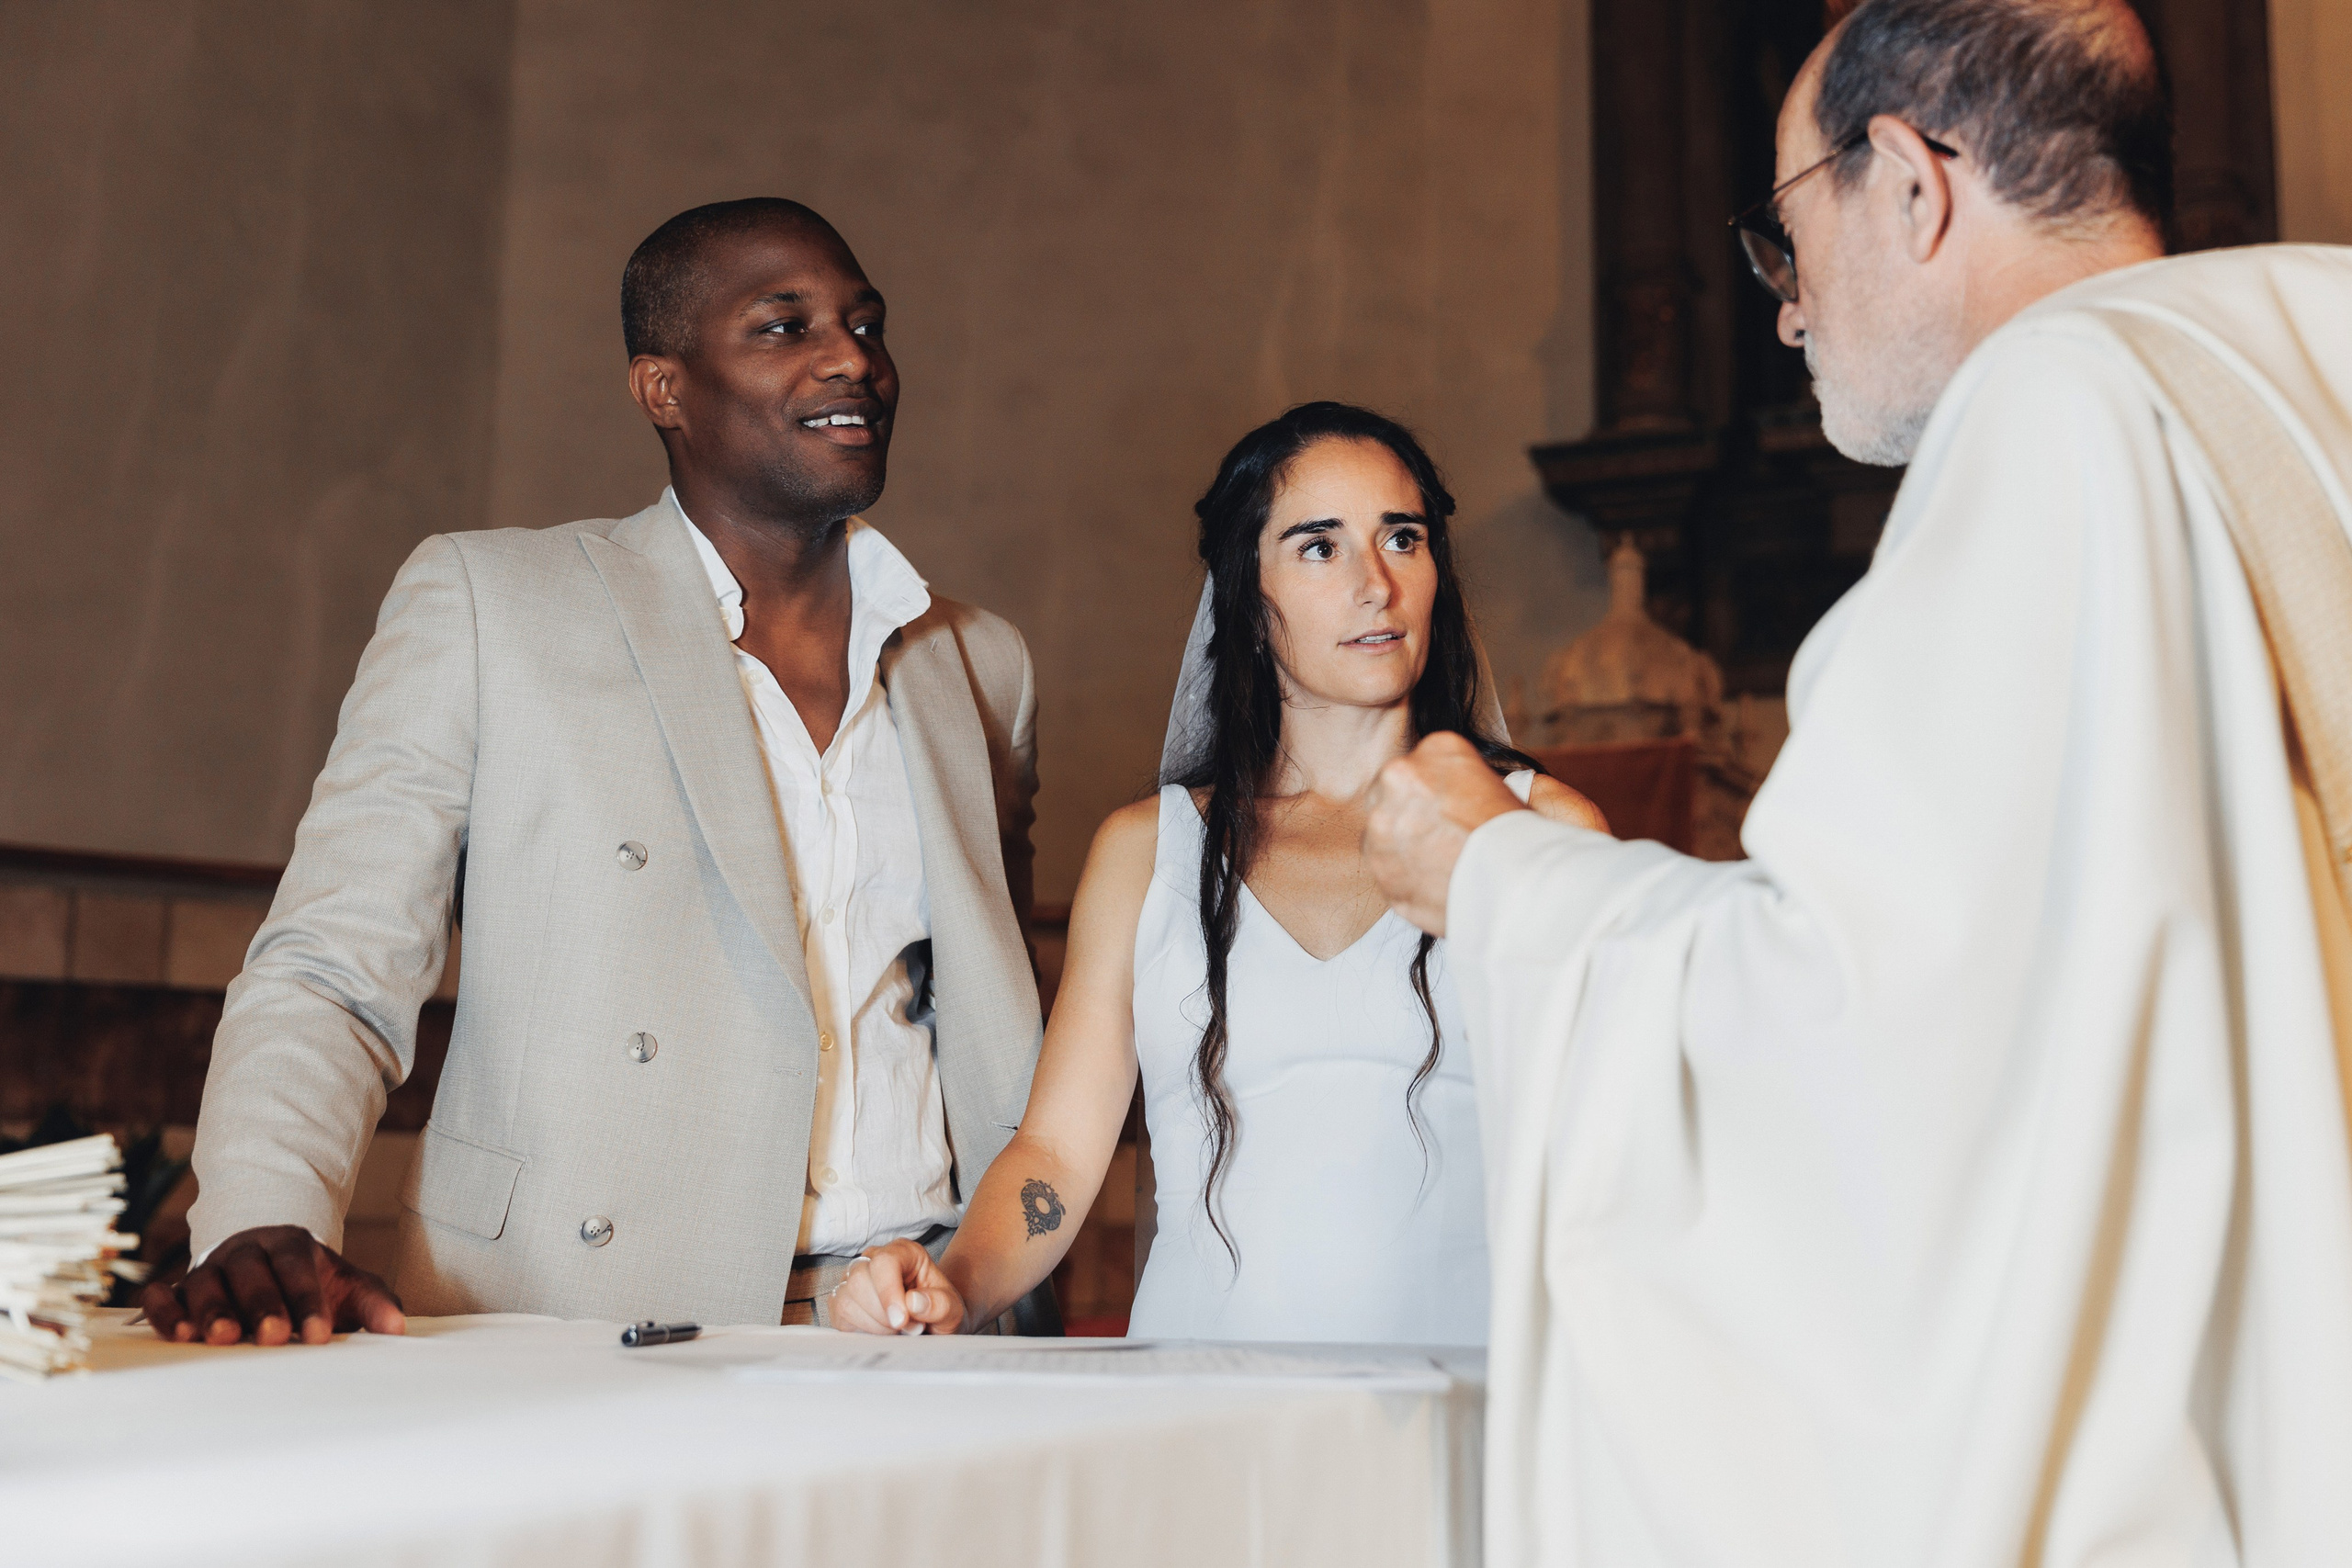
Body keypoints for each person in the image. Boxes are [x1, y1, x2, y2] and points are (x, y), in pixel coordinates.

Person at [1363, 1, 2352, 1562]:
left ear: (1908, 177)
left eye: (1783, 234)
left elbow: (1868, 1054)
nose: (1786, 314)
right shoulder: (2312, 352)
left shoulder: (2058, 413)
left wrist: (1500, 875)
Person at [144, 198, 1056, 1342]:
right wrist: (259, 1219)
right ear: (664, 390)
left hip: (929, 1322)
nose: (852, 361)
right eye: (784, 328)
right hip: (574, 1315)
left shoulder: (981, 667)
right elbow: (332, 963)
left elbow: (995, 1023)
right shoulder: (490, 605)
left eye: (865, 325)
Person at [828, 402, 1601, 1343]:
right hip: (1203, 1402)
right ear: (1245, 591)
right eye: (1318, 548)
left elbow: (1616, 1146)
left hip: (1467, 1399)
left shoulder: (1536, 827)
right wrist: (958, 1287)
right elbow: (1056, 1155)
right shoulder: (1147, 854)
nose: (1375, 584)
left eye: (1402, 538)